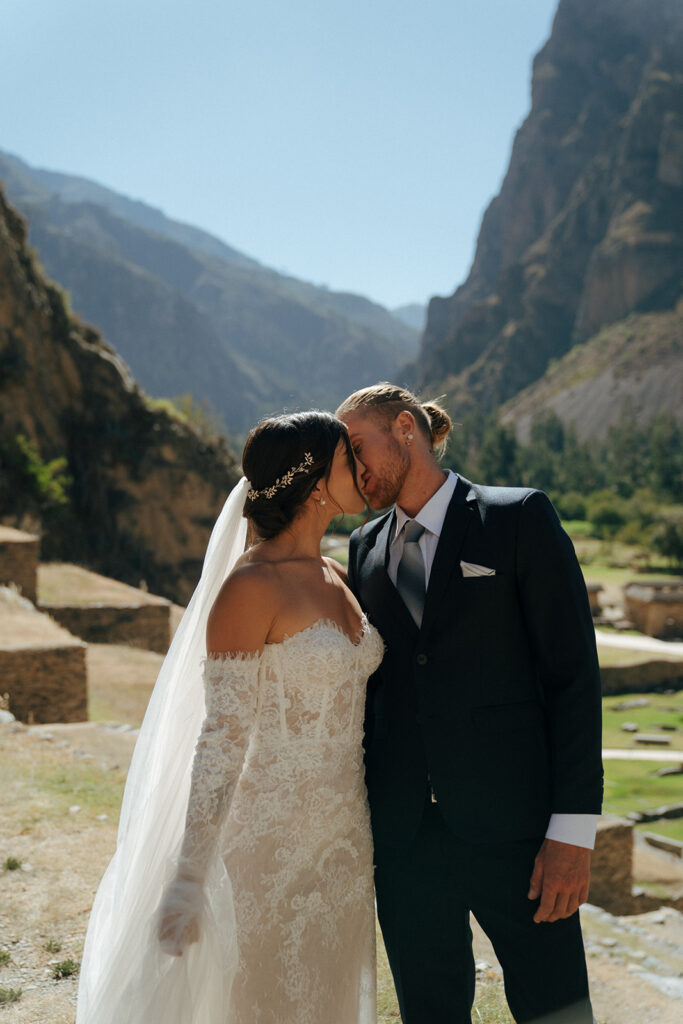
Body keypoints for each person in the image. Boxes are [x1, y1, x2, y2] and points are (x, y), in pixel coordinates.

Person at [76, 411, 383, 1024]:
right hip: (267, 845)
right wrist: (189, 877)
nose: (364, 467)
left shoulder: (340, 576)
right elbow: (222, 736)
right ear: (317, 480)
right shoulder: (251, 587)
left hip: (346, 840)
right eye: (350, 457)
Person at [337, 383, 603, 1024]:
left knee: (557, 1011)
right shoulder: (364, 550)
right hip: (406, 844)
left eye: (356, 448)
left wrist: (573, 833)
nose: (352, 470)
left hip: (520, 836)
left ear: (406, 428)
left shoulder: (519, 518)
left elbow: (573, 677)